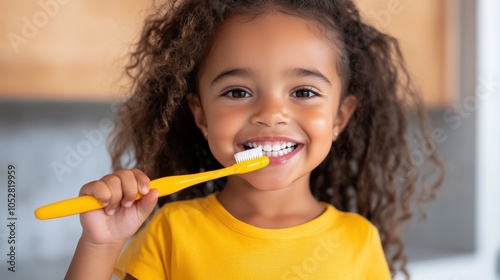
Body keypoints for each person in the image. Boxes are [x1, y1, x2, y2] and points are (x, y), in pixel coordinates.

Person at [65, 0, 443, 279]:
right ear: (201, 115)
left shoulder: (358, 242)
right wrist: (100, 244)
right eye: (237, 92)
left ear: (339, 117)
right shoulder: (172, 232)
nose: (271, 113)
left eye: (305, 92)